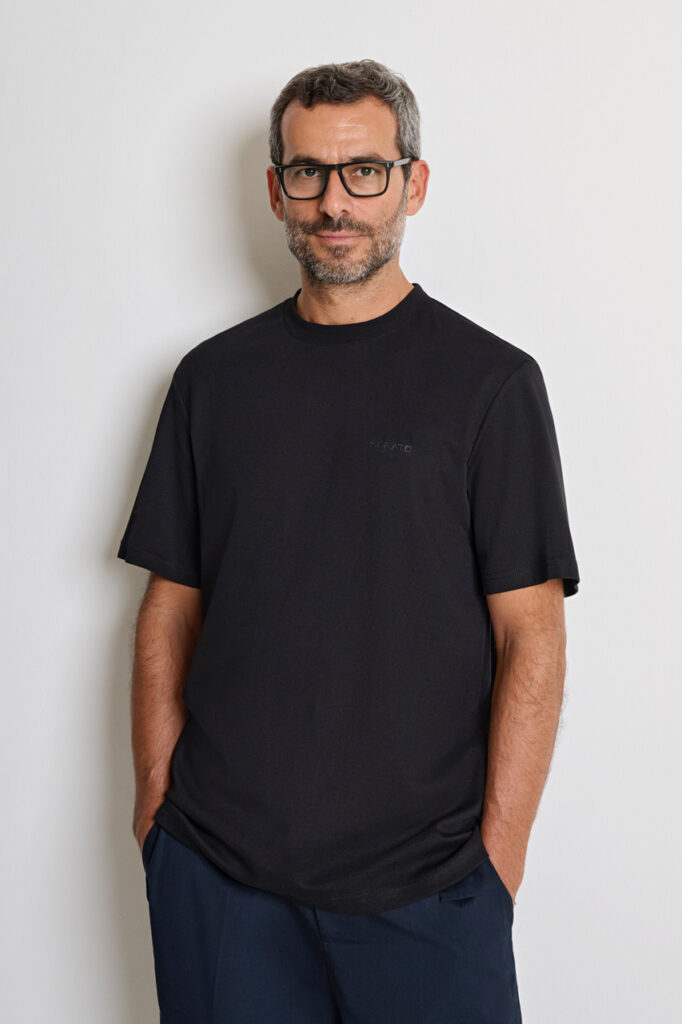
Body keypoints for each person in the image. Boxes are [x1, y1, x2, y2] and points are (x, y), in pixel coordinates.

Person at [118, 58, 580, 1023]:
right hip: (220, 880)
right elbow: (171, 606)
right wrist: (158, 807)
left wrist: (496, 865)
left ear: (413, 183)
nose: (335, 203)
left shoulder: (491, 384)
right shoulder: (212, 381)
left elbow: (530, 634)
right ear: (276, 189)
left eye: (364, 171)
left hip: (431, 891)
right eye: (309, 173)